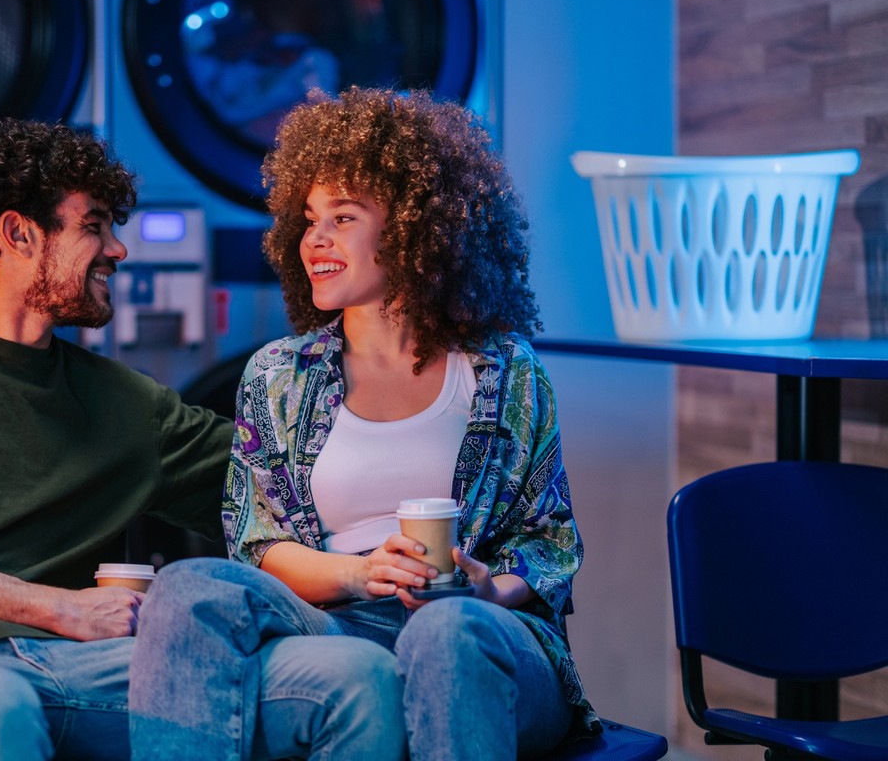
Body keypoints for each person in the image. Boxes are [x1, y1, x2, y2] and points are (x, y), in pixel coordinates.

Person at [0, 117, 400, 761]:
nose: (117, 250)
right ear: (18, 233)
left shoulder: (126, 404)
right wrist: (59, 609)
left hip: (83, 667)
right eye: (93, 225)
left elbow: (297, 482)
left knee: (350, 681)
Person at [129, 87, 598, 761]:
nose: (314, 238)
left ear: (413, 226)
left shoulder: (503, 371)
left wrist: (484, 585)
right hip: (336, 623)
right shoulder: (276, 374)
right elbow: (257, 545)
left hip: (481, 632)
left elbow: (549, 542)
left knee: (447, 633)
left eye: (343, 217)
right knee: (190, 586)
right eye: (308, 218)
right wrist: (361, 574)